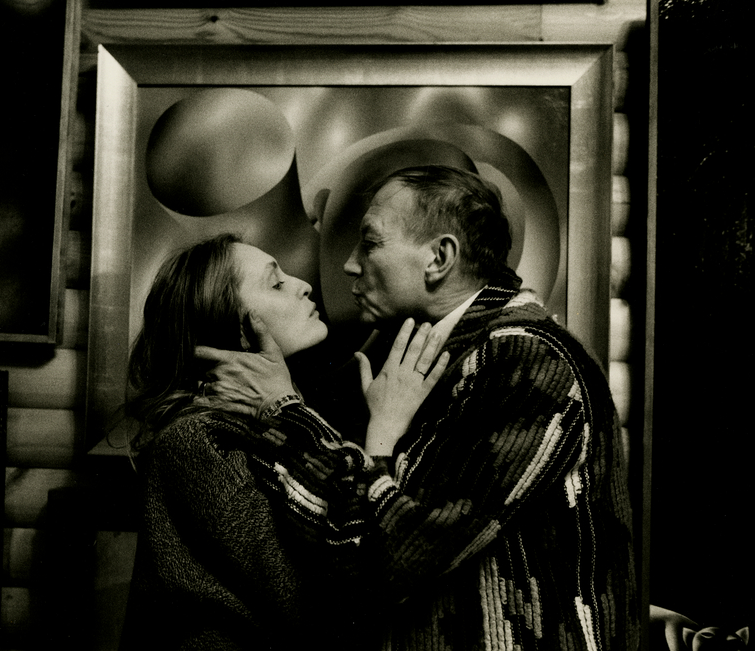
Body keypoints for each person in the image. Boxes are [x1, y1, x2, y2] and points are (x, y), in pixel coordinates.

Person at [197, 165, 640, 650]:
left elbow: (386, 561)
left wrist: (285, 411)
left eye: (370, 243)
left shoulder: (526, 359)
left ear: (439, 258)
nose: (348, 265)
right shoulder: (442, 358)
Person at [118, 233, 449, 651]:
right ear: (238, 331)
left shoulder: (262, 427)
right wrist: (381, 432)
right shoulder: (197, 440)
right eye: (275, 283)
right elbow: (327, 606)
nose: (302, 284)